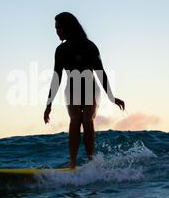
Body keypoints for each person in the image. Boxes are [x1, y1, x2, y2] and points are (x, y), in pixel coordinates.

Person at [44, 12, 125, 168]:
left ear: (68, 27)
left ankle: (91, 161)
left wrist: (112, 97)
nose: (56, 31)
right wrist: (49, 104)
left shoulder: (89, 46)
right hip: (72, 89)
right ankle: (73, 164)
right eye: (56, 28)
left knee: (87, 120)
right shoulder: (60, 51)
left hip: (91, 88)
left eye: (58, 27)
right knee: (75, 120)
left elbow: (100, 72)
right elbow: (57, 78)